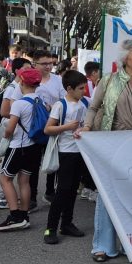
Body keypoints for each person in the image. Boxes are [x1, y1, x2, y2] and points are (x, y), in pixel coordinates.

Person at [84, 39, 132, 262]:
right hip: (111, 145)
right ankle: (103, 246)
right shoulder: (108, 80)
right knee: (107, 194)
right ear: (125, 58)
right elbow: (93, 107)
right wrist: (87, 127)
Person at [0, 68, 44, 232]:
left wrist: (6, 136)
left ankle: (15, 216)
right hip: (34, 147)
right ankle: (24, 216)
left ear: (22, 82)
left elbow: (10, 128)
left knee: (4, 179)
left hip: (18, 147)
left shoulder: (19, 104)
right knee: (24, 181)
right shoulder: (40, 100)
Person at [42, 70, 89, 245]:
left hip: (80, 152)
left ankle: (67, 223)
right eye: (81, 88)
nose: (84, 91)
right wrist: (68, 127)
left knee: (73, 190)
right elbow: (48, 129)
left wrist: (84, 129)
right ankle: (51, 228)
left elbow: (88, 124)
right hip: (64, 153)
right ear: (69, 89)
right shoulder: (60, 105)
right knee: (62, 191)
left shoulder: (84, 103)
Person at [31, 50, 66, 205]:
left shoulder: (58, 80)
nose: (48, 66)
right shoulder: (29, 79)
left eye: (50, 63)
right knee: (32, 163)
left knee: (52, 159)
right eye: (44, 64)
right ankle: (31, 196)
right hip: (33, 127)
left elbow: (64, 100)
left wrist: (53, 107)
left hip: (53, 125)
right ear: (35, 64)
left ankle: (50, 191)